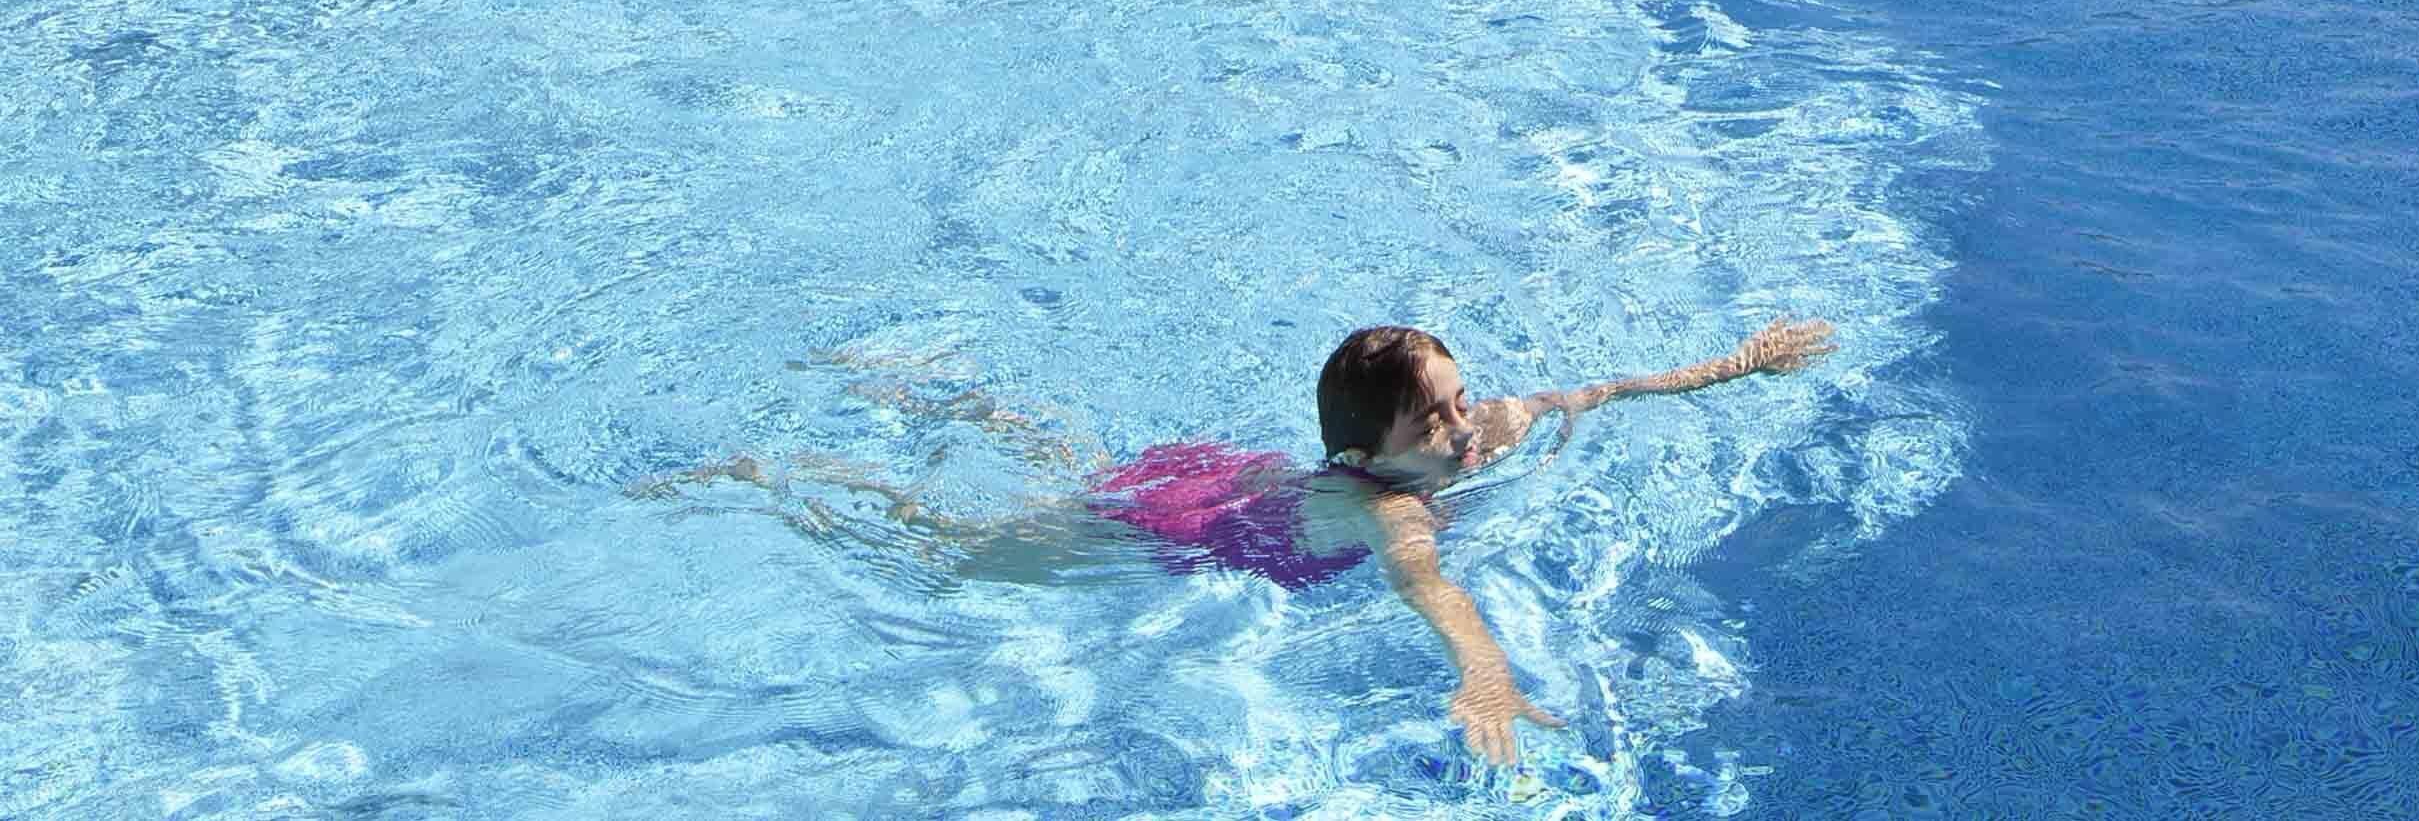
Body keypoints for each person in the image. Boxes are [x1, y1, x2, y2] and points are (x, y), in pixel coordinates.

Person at [642, 317, 1835, 766]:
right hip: (1186, 516)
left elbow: (1605, 393)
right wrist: (1488, 678)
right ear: (1373, 461)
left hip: (1220, 471)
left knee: (1058, 454)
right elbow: (1431, 591)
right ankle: (773, 478)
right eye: (1440, 421)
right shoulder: (1387, 507)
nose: (1470, 428)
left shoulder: (1486, 432)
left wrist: (1738, 364)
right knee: (955, 549)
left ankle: (931, 392)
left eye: (1465, 401)